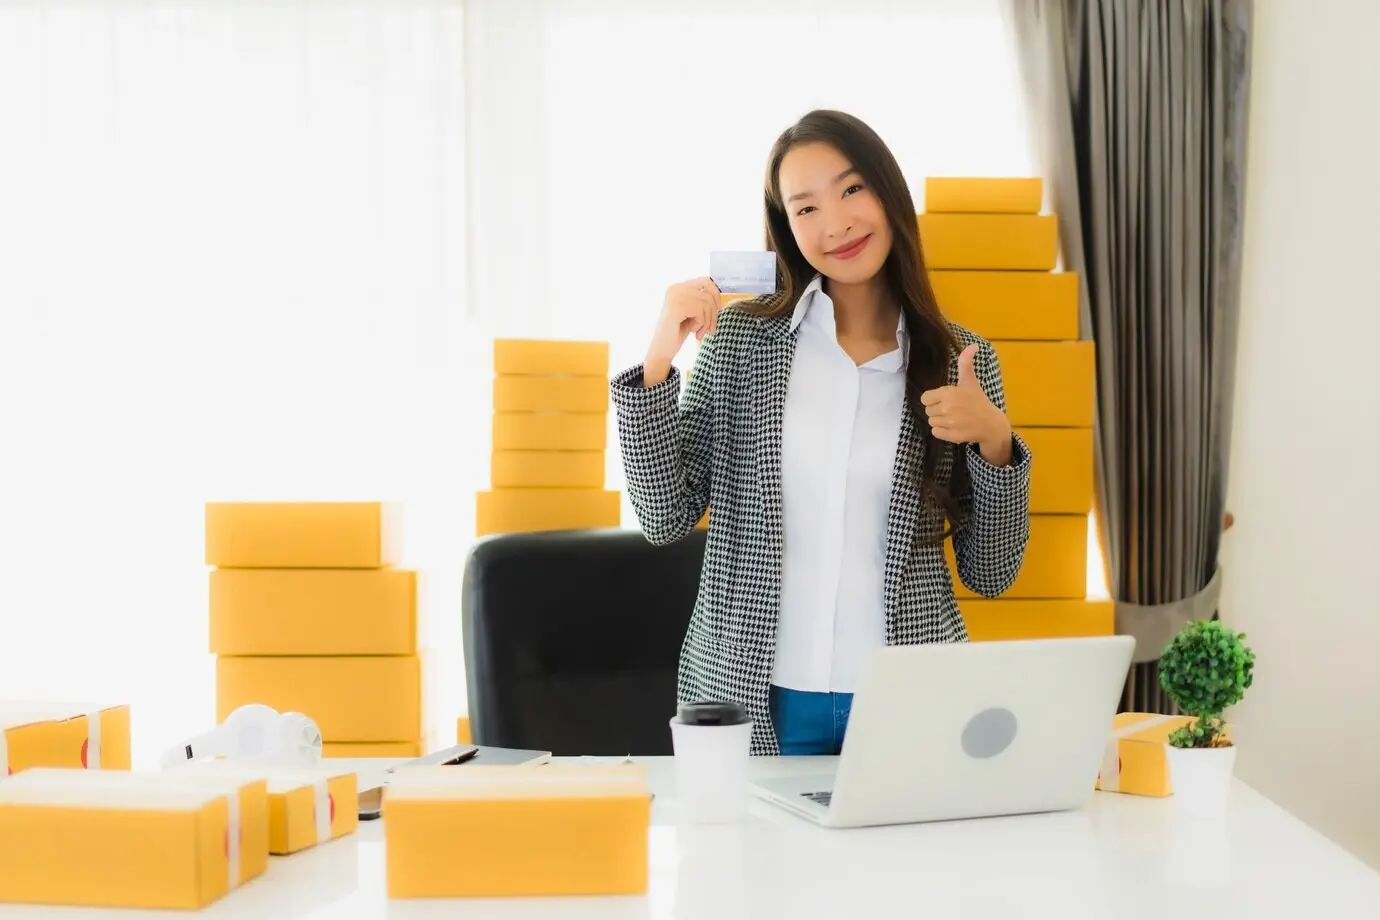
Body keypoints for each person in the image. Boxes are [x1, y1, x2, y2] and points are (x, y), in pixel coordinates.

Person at [610, 109, 1032, 756]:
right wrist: (660, 362)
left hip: (909, 702)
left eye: (852, 189)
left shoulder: (960, 362)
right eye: (804, 208)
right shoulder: (741, 345)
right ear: (786, 229)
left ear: (889, 195)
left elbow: (992, 573)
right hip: (751, 698)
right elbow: (665, 517)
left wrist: (995, 442)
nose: (834, 224)